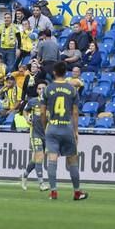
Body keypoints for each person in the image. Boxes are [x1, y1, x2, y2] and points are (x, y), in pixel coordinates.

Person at [40, 62, 87, 201]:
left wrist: (45, 127)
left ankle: (53, 191)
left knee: (52, 158)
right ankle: (77, 192)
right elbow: (75, 112)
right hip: (67, 127)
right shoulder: (72, 89)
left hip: (52, 127)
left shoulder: (47, 90)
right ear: (65, 72)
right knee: (72, 159)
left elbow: (42, 112)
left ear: (54, 72)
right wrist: (76, 130)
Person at [21, 82, 50, 191]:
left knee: (35, 159)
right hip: (35, 133)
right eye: (39, 88)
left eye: (43, 88)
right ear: (37, 91)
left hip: (46, 135)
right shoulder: (33, 101)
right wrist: (27, 117)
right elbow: (24, 110)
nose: (41, 90)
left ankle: (25, 174)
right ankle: (41, 183)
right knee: (39, 156)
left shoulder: (51, 102)